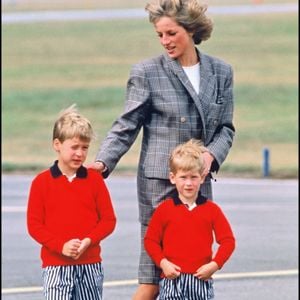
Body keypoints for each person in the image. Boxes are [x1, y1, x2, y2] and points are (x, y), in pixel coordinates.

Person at [91, 0, 235, 298]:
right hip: (158, 184)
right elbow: (127, 124)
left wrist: (211, 155)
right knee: (154, 277)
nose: (165, 41)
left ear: (191, 30)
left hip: (199, 183)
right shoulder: (147, 72)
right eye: (160, 35)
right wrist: (102, 163)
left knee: (195, 275)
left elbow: (226, 129)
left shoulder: (221, 72)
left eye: (171, 33)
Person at [27, 104, 117, 300]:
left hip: (90, 265)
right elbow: (34, 226)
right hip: (55, 266)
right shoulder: (41, 183)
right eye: (74, 147)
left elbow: (108, 220)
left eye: (85, 148)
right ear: (57, 144)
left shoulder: (94, 180)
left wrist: (89, 241)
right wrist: (61, 246)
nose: (80, 153)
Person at [144, 139, 235, 299]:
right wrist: (163, 263)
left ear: (202, 177)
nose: (188, 183)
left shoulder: (212, 210)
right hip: (172, 281)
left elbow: (228, 241)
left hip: (200, 280)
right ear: (173, 178)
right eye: (183, 177)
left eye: (193, 177)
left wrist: (215, 265)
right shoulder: (164, 210)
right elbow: (150, 241)